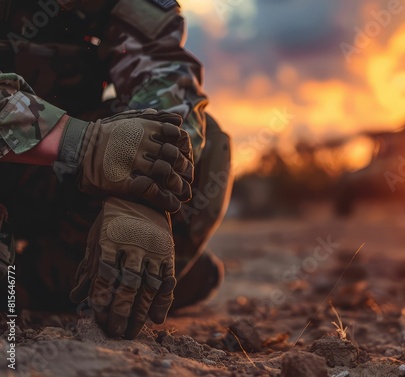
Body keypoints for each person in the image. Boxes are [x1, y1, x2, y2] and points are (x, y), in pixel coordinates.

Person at [0, 0, 232, 339]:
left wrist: (143, 197)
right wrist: (81, 143)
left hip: (51, 176)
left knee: (203, 144)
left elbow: (164, 82)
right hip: (60, 154)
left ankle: (43, 281)